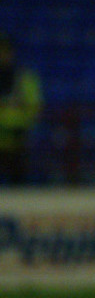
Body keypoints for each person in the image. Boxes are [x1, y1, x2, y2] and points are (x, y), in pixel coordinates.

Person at [0, 32, 42, 184]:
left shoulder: (24, 79)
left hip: (17, 144)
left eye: (4, 51)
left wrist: (16, 124)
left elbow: (34, 109)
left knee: (18, 189)